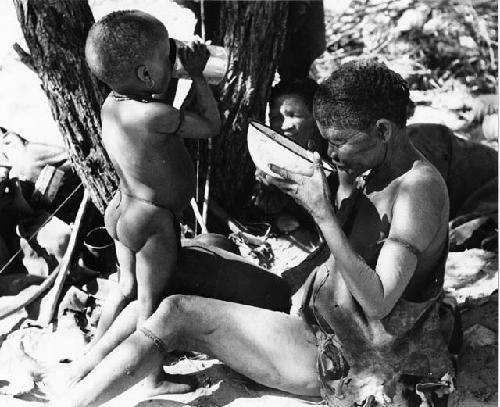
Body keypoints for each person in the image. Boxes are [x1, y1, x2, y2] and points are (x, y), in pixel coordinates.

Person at [48, 60, 457, 407]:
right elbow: (353, 242)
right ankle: (84, 369)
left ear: (384, 130)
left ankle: (74, 403)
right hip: (316, 313)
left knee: (177, 311)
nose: (332, 152)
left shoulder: (417, 193)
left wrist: (323, 214)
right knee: (180, 264)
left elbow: (380, 300)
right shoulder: (375, 166)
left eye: (340, 143)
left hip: (347, 357)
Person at [55, 9, 222, 395]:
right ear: (146, 74)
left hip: (122, 211)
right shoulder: (157, 116)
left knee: (124, 288)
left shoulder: (115, 105)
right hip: (153, 223)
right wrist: (197, 74)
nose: (173, 59)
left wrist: (167, 66)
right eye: (168, 56)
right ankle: (153, 377)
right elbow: (211, 126)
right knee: (151, 303)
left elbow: (152, 91)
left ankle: (90, 356)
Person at [252, 78, 327, 232]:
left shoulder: (334, 154)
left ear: (316, 118)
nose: (284, 126)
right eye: (276, 118)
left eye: (293, 116)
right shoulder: (268, 158)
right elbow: (266, 206)